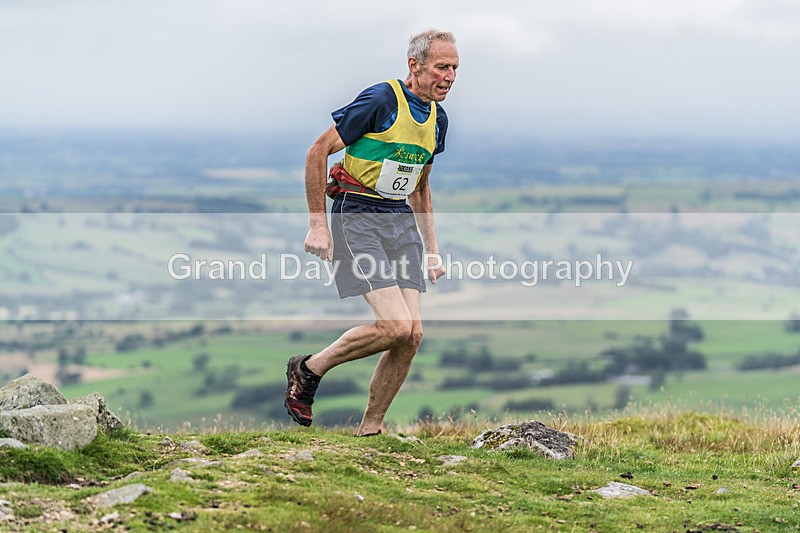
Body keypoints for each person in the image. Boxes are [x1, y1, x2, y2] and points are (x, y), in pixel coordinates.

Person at [284, 28, 458, 436]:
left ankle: (371, 429)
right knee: (395, 325)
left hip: (398, 219)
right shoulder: (381, 100)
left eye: (454, 68)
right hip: (357, 213)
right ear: (414, 65)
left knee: (411, 334)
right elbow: (317, 152)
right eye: (440, 67)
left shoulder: (438, 119)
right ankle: (308, 369)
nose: (449, 76)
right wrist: (317, 225)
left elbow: (420, 185)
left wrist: (432, 249)